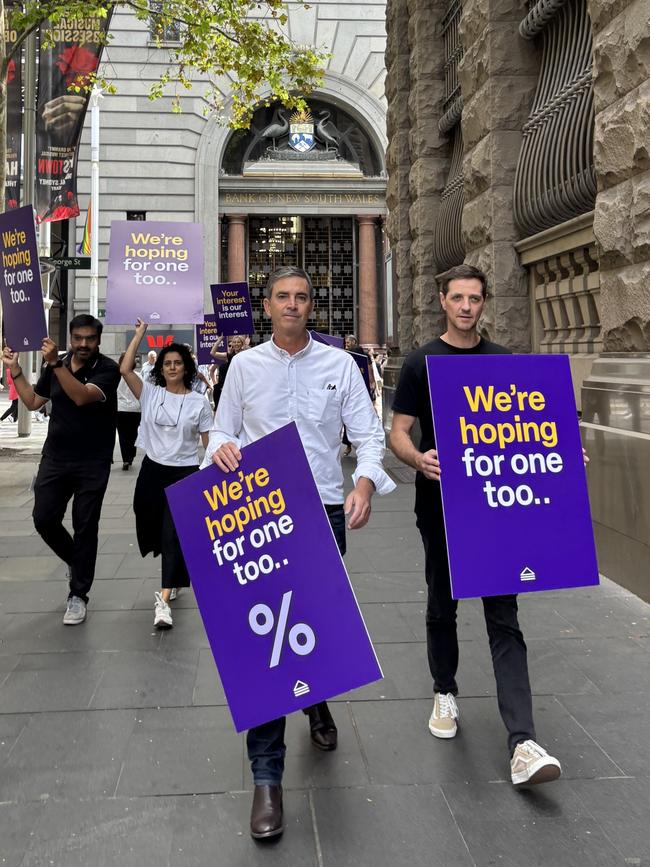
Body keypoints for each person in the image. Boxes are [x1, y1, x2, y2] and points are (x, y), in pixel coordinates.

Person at [202, 265, 395, 840]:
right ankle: (267, 777)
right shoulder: (243, 367)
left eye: (302, 297)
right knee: (264, 641)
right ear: (267, 306)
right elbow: (219, 431)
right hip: (259, 516)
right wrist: (222, 449)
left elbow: (368, 435)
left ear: (313, 306)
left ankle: (316, 701)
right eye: (282, 297)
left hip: (323, 514)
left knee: (313, 624)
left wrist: (363, 483)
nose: (292, 304)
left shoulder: (342, 366)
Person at [389, 263, 563, 788]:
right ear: (443, 301)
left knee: (504, 616)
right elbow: (397, 432)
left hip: (495, 512)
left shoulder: (504, 361)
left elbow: (531, 428)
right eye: (458, 298)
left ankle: (523, 742)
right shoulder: (421, 362)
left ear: (485, 303)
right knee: (443, 603)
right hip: (440, 509)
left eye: (475, 298)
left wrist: (559, 452)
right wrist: (418, 458)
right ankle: (445, 689)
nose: (467, 306)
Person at [2, 315, 120, 625]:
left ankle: (78, 595)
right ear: (70, 337)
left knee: (85, 525)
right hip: (55, 458)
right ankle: (75, 560)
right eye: (78, 338)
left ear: (98, 340)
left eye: (89, 339)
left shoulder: (107, 369)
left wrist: (56, 366)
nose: (83, 344)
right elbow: (32, 401)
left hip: (93, 462)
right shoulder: (56, 365)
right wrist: (14, 370)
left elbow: (81, 397)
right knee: (43, 518)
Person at [121, 321, 213, 629]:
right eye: (167, 363)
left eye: (177, 363)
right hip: (151, 471)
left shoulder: (199, 403)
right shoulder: (149, 394)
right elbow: (124, 369)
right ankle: (172, 572)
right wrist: (139, 335)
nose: (172, 367)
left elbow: (209, 445)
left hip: (184, 474)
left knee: (173, 534)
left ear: (186, 367)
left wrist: (212, 475)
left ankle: (163, 600)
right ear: (161, 367)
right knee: (150, 526)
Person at [116, 353, 141, 470]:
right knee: (133, 433)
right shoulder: (138, 376)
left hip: (120, 409)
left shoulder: (116, 377)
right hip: (135, 409)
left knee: (123, 435)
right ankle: (131, 454)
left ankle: (126, 458)